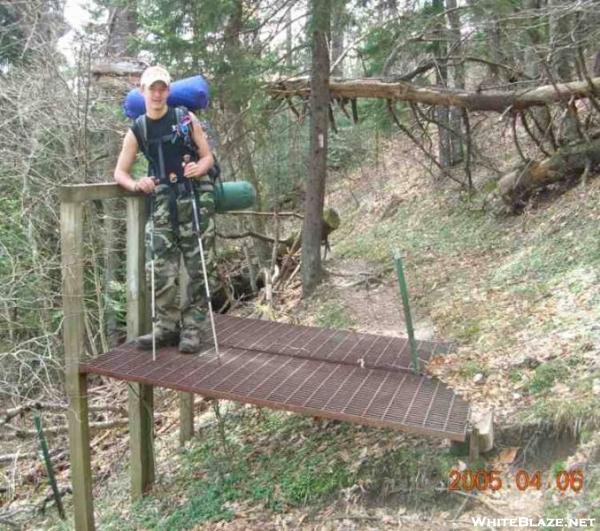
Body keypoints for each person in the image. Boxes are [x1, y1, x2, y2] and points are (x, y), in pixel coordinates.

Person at [114, 65, 216, 353]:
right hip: (161, 203)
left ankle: (192, 329)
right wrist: (136, 184)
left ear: (168, 91)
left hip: (193, 199)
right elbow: (120, 173)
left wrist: (200, 167)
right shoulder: (138, 129)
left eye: (162, 88)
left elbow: (208, 156)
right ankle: (166, 328)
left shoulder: (185, 118)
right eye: (152, 89)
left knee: (199, 267)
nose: (157, 94)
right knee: (159, 267)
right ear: (143, 91)